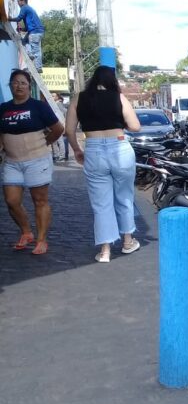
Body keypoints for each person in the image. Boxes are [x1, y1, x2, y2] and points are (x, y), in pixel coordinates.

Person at [65, 66, 142, 263]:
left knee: (101, 203)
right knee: (125, 197)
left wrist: (76, 150)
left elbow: (69, 130)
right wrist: (118, 123)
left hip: (93, 149)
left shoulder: (78, 99)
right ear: (112, 80)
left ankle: (105, 251)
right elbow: (135, 126)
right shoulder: (119, 97)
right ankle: (127, 241)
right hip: (119, 147)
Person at [0, 69, 64, 255]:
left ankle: (41, 239)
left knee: (40, 200)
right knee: (11, 201)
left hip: (37, 160)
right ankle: (26, 232)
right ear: (10, 85)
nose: (18, 86)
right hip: (12, 162)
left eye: (23, 83)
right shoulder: (3, 109)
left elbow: (58, 129)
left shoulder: (38, 107)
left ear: (29, 86)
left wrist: (46, 143)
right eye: (15, 82)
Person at [8, 0, 45, 72]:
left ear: (22, 1)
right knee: (24, 41)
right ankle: (30, 54)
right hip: (35, 31)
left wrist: (9, 19)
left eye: (18, 1)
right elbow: (27, 27)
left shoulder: (24, 8)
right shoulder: (28, 9)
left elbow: (19, 18)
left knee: (36, 50)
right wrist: (21, 29)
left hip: (35, 32)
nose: (18, 4)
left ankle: (38, 67)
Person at [51, 92, 68, 161]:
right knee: (54, 141)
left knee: (59, 141)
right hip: (54, 124)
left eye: (53, 96)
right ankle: (56, 155)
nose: (52, 97)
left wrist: (64, 124)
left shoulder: (58, 104)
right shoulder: (54, 104)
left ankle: (61, 156)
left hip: (59, 125)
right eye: (51, 96)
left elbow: (64, 112)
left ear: (57, 97)